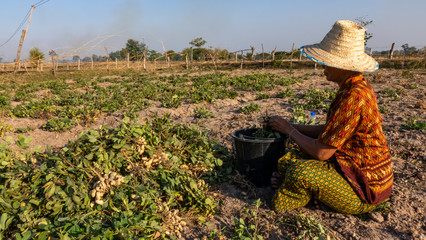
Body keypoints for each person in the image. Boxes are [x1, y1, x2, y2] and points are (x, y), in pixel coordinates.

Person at [267, 20, 393, 214]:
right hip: (349, 167)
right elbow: (329, 132)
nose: (322, 67)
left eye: (326, 62)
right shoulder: (354, 87)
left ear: (343, 66)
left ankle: (300, 200)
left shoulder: (354, 96)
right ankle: (317, 196)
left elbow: (322, 153)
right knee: (287, 161)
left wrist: (288, 130)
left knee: (300, 173)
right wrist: (289, 125)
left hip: (363, 190)